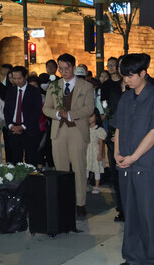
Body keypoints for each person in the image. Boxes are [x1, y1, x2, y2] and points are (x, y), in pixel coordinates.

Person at [113, 53, 154, 265]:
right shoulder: (126, 98)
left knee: (149, 212)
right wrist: (117, 153)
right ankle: (133, 255)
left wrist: (134, 157)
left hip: (146, 163)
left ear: (143, 73)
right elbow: (118, 127)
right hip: (125, 162)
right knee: (131, 211)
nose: (127, 80)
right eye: (124, 76)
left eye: (130, 76)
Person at [43, 54, 96, 218]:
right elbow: (46, 108)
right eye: (61, 69)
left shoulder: (86, 86)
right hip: (58, 131)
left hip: (77, 130)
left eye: (67, 68)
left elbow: (89, 109)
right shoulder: (53, 87)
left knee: (79, 168)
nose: (63, 71)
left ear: (73, 67)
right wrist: (57, 114)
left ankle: (80, 203)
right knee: (61, 169)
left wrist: (71, 114)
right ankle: (63, 201)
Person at [99, 56, 126, 222]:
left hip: (125, 128)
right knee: (115, 169)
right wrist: (106, 114)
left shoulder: (126, 83)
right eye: (108, 65)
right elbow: (103, 103)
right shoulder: (106, 85)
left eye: (113, 65)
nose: (110, 67)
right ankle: (121, 205)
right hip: (112, 127)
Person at [3, 66, 43, 166]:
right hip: (13, 128)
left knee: (31, 159)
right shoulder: (10, 91)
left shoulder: (34, 91)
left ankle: (31, 180)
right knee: (16, 158)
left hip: (29, 129)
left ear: (25, 77)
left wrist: (23, 126)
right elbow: (6, 111)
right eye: (14, 78)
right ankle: (18, 180)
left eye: (19, 78)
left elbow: (37, 112)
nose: (17, 81)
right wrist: (11, 126)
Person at [86, 109, 107, 194]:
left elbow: (101, 142)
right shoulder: (86, 128)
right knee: (86, 168)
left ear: (96, 117)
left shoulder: (99, 129)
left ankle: (96, 186)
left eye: (91, 116)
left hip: (95, 151)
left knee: (96, 169)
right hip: (87, 151)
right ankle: (85, 185)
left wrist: (100, 154)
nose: (89, 118)